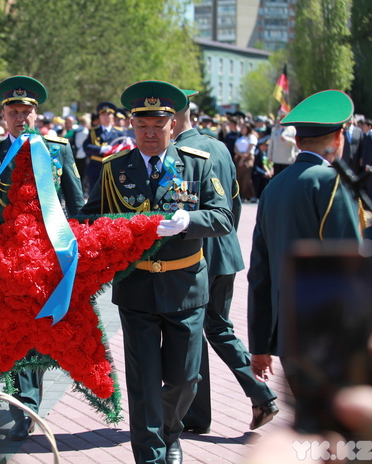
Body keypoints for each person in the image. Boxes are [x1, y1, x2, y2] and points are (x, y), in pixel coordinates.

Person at [82, 80, 233, 464]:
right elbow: (91, 216)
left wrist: (189, 220)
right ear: (132, 126)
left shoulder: (197, 164)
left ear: (172, 125)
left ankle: (169, 432)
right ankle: (150, 455)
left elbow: (223, 217)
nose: (149, 134)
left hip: (185, 288)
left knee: (185, 380)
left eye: (158, 126)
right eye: (142, 126)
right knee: (144, 381)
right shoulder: (116, 168)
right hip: (137, 289)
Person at [0, 75, 84, 441]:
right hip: (5, 261)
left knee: (36, 330)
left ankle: (28, 403)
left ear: (37, 114)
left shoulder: (58, 149)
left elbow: (77, 205)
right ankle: (23, 403)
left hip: (47, 258)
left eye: (27, 111)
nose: (21, 117)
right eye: (14, 111)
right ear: (3, 115)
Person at [248, 90, 362, 418]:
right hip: (330, 333)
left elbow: (260, 271)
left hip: (289, 332)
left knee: (311, 423)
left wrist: (259, 344)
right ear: (339, 138)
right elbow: (348, 263)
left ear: (297, 143)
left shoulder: (273, 187)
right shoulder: (330, 182)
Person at [174, 91, 278, 436]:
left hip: (196, 255)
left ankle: (257, 394)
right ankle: (195, 416)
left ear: (171, 120)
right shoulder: (217, 144)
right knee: (207, 329)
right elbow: (230, 201)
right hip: (223, 249)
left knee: (206, 330)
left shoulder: (177, 152)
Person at [83, 102, 125, 196]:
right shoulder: (93, 131)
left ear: (113, 116)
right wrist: (101, 149)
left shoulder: (119, 133)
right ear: (99, 117)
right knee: (94, 196)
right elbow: (86, 147)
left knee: (111, 196)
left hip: (113, 168)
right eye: (103, 114)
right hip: (95, 167)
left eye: (109, 114)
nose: (106, 117)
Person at [267, 110, 298, 176]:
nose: (281, 120)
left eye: (283, 118)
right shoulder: (275, 130)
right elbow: (271, 144)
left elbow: (296, 144)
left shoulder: (292, 130)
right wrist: (269, 156)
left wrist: (287, 139)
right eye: (280, 118)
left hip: (288, 160)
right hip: (277, 159)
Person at [233, 122, 258, 202]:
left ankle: (251, 195)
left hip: (248, 158)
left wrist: (243, 159)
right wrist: (239, 155)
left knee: (246, 178)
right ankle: (241, 196)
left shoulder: (251, 137)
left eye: (244, 128)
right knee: (239, 177)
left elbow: (249, 149)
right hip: (239, 157)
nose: (242, 130)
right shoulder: (240, 137)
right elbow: (235, 148)